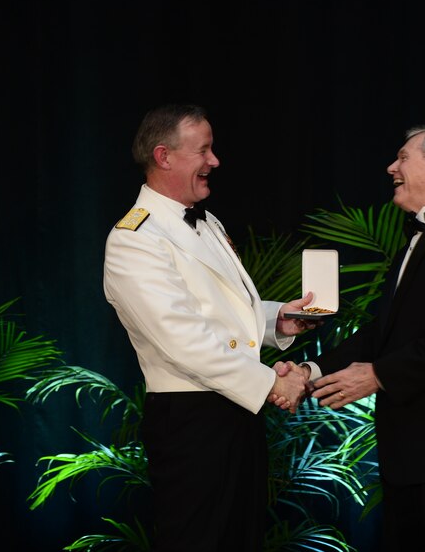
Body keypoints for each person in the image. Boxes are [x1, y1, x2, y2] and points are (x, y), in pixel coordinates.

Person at [278, 125, 425, 551]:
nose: (392, 168)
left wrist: (379, 376)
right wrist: (310, 370)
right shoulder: (416, 240)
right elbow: (381, 334)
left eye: (403, 158)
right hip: (411, 457)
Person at [103, 103, 314, 552]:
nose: (214, 161)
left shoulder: (209, 221)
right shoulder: (134, 239)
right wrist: (271, 384)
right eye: (204, 150)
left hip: (238, 412)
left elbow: (218, 312)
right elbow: (183, 341)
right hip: (192, 421)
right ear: (164, 157)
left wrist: (277, 320)